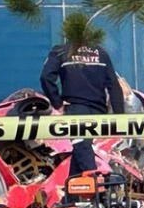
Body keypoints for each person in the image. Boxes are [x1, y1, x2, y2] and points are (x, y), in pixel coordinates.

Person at [40, 15, 124, 191]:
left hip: (76, 110)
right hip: (98, 111)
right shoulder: (101, 53)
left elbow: (46, 77)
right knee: (81, 148)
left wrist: (57, 103)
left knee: (82, 149)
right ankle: (71, 200)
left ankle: (94, 192)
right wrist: (119, 117)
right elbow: (114, 86)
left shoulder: (61, 51)